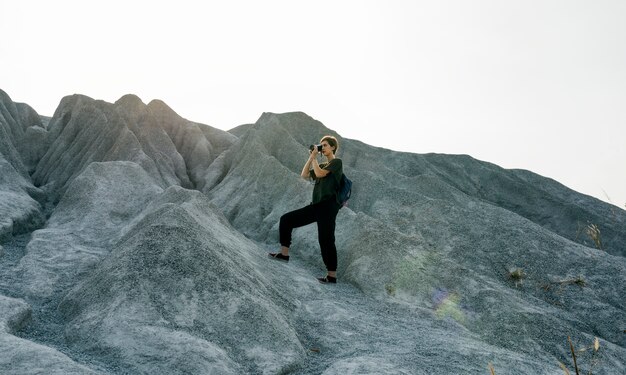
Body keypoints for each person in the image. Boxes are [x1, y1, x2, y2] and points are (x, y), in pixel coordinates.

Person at [269, 135, 343, 284]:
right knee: (286, 219)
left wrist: (315, 159)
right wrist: (311, 158)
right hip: (316, 205)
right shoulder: (320, 165)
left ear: (333, 147)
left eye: (325, 145)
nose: (323, 147)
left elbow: (321, 174)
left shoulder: (336, 163)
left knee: (326, 239)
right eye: (321, 145)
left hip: (328, 206)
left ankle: (332, 275)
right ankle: (284, 254)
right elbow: (304, 175)